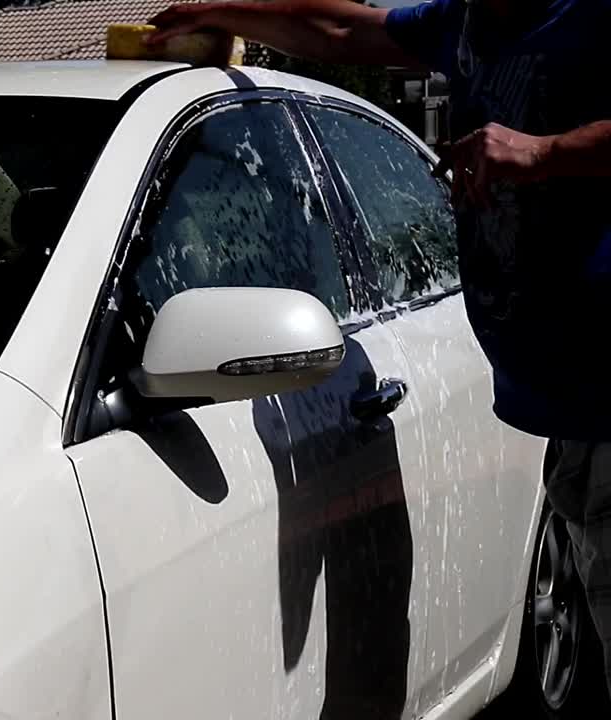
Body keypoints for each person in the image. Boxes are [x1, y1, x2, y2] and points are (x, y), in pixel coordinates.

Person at [149, 0, 611, 696]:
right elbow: (341, 29)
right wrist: (220, 10)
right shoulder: (467, 20)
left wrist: (545, 153)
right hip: (572, 411)